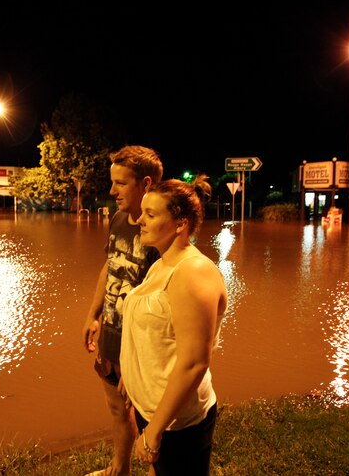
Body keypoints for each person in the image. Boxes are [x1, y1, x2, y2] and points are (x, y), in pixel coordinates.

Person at [118, 175, 228, 475]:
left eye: (151, 214)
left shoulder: (192, 273)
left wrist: (154, 431)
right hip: (153, 408)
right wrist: (132, 374)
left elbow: (194, 363)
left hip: (177, 421)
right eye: (143, 212)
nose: (139, 220)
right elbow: (157, 331)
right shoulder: (161, 262)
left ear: (180, 224)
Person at [83, 145, 164, 476]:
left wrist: (136, 358)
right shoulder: (117, 219)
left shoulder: (163, 231)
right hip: (112, 334)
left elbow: (164, 302)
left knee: (151, 414)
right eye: (112, 182)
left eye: (121, 183)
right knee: (117, 408)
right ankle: (119, 469)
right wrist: (93, 314)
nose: (112, 190)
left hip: (142, 344)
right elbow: (110, 265)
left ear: (145, 184)